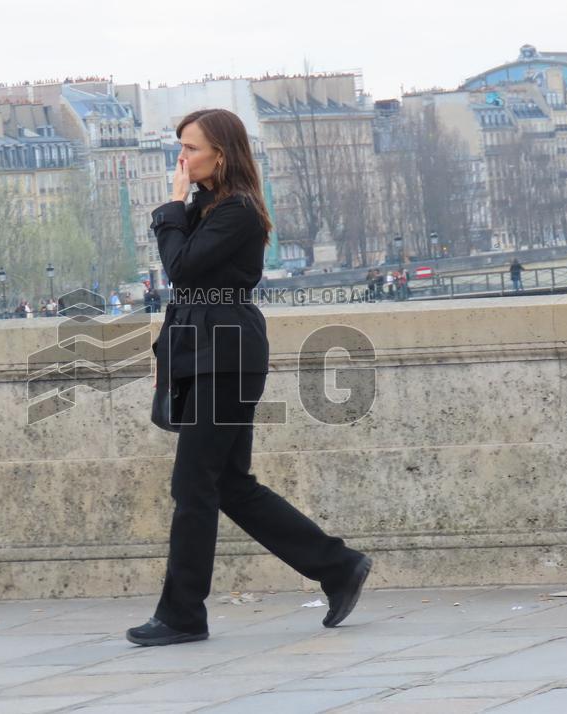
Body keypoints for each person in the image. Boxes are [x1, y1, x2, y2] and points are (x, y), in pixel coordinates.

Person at [127, 108, 371, 648]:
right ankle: (337, 566)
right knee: (230, 484)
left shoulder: (237, 210)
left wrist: (170, 208)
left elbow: (181, 269)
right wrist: (181, 209)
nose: (181, 159)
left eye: (191, 148)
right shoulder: (206, 208)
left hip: (225, 354)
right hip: (204, 352)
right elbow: (186, 280)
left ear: (221, 154)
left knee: (193, 485)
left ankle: (182, 614)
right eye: (180, 147)